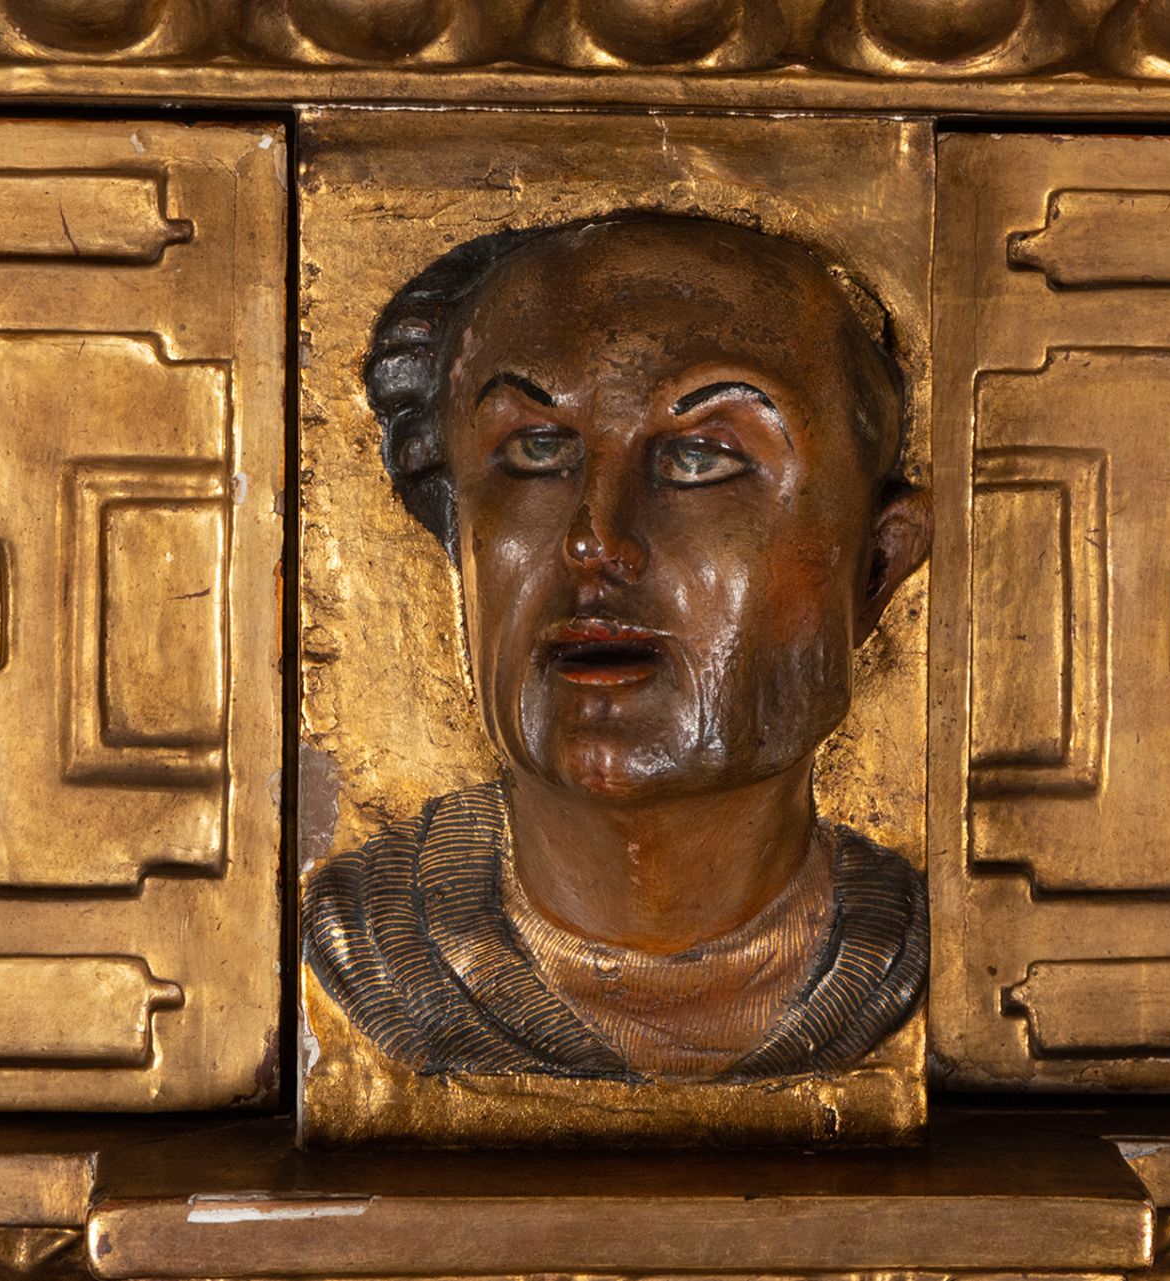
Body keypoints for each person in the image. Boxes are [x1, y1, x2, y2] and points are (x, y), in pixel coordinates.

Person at [303, 214, 933, 1081]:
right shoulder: (347, 950)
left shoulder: (950, 961)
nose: (597, 539)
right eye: (534, 448)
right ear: (458, 534)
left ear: (877, 565)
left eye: (705, 457)